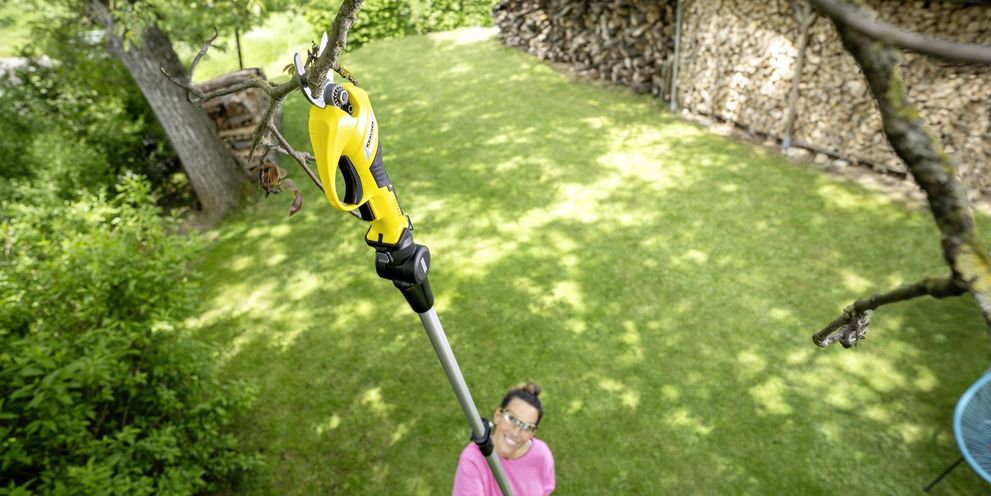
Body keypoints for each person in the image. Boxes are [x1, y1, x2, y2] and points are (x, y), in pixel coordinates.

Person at [452, 382, 555, 495]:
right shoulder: (473, 460)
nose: (516, 433)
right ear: (497, 416)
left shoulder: (542, 455)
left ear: (532, 433)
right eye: (511, 418)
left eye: (526, 427)